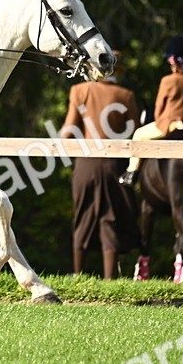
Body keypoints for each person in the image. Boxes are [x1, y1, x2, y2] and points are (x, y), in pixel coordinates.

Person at [60, 53, 140, 279]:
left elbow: (68, 130)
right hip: (114, 165)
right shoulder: (126, 96)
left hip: (86, 164)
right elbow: (135, 133)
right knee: (110, 219)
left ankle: (78, 274)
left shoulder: (80, 91)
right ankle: (109, 278)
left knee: (83, 215)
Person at [120, 34, 183, 185]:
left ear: (175, 62)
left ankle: (131, 172)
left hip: (170, 123)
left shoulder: (168, 80)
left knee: (138, 135)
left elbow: (159, 108)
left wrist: (160, 121)